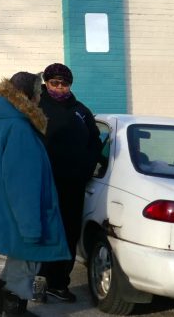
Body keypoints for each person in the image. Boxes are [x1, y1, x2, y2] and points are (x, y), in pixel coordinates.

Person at [0, 72, 69, 315]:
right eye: (39, 93)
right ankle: (12, 311)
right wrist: (31, 228)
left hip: (4, 209)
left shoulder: (0, 117)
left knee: (17, 262)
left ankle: (2, 307)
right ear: (27, 96)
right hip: (20, 215)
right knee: (26, 262)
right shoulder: (20, 127)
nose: (41, 98)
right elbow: (22, 184)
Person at [35, 63, 101, 303]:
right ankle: (36, 279)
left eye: (64, 84)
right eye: (55, 83)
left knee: (68, 233)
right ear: (46, 82)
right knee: (41, 231)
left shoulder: (81, 112)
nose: (59, 88)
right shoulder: (36, 107)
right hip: (42, 183)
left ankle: (59, 282)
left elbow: (95, 145)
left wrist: (85, 169)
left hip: (72, 186)